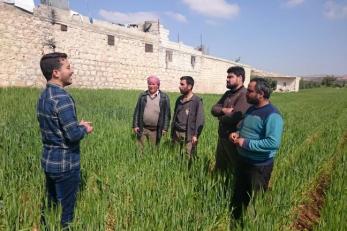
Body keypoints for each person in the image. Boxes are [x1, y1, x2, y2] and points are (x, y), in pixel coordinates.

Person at [37, 52, 93, 228]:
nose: (72, 71)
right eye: (68, 67)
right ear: (56, 72)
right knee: (66, 211)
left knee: (51, 205)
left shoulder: (44, 96)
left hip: (49, 161)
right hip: (66, 164)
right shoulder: (62, 98)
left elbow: (56, 127)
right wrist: (84, 128)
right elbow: (73, 135)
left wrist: (76, 125)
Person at [229, 77, 284, 220]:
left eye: (250, 91)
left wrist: (245, 143)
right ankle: (235, 222)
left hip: (258, 167)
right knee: (239, 195)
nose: (246, 93)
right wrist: (237, 134)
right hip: (243, 161)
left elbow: (273, 143)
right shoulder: (252, 109)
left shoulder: (273, 115)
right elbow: (245, 129)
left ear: (261, 94)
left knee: (255, 201)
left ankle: (251, 224)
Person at [211, 66, 250, 173]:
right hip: (222, 138)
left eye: (230, 77)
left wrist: (220, 115)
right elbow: (214, 109)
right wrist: (224, 110)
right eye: (227, 77)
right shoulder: (228, 94)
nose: (227, 79)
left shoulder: (244, 94)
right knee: (220, 169)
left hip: (234, 140)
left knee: (235, 170)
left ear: (240, 78)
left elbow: (234, 117)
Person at [171, 76, 204, 165]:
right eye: (180, 84)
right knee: (176, 155)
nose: (179, 86)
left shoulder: (197, 100)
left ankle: (187, 175)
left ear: (189, 86)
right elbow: (175, 116)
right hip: (177, 133)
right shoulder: (179, 99)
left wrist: (196, 135)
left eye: (182, 84)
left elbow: (200, 119)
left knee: (188, 157)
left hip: (189, 134)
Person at [132, 75, 171, 147]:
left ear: (158, 85)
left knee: (153, 151)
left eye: (153, 84)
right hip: (142, 128)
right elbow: (137, 111)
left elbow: (167, 115)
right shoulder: (143, 95)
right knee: (139, 150)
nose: (151, 86)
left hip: (155, 130)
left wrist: (165, 128)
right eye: (149, 84)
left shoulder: (164, 97)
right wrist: (135, 125)